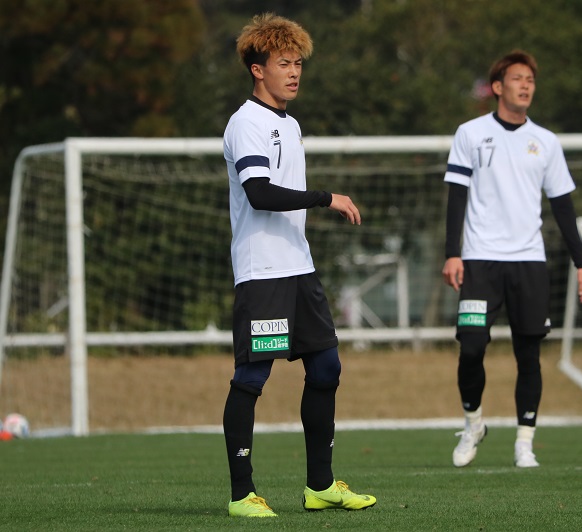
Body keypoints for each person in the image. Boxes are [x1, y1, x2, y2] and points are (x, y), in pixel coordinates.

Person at [222, 13, 376, 517]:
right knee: (252, 378)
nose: (293, 72)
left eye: (298, 64)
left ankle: (320, 487)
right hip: (262, 273)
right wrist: (326, 197)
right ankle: (241, 495)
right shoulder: (246, 122)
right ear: (257, 69)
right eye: (283, 63)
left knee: (327, 367)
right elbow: (260, 193)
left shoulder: (290, 124)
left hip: (298, 268)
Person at [441, 50, 582, 468]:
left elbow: (563, 207)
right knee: (471, 347)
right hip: (479, 262)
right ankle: (473, 424)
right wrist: (452, 253)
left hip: (529, 263)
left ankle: (525, 442)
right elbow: (456, 197)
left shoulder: (546, 142)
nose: (525, 85)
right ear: (497, 87)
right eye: (517, 78)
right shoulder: (470, 133)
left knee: (528, 355)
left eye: (530, 79)